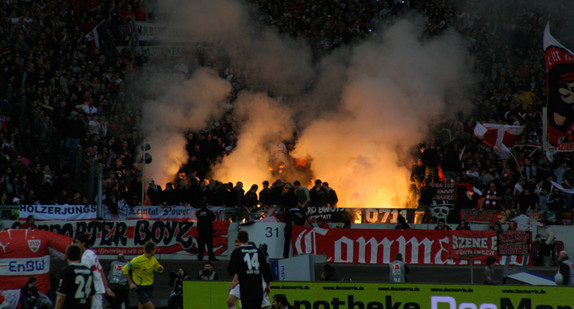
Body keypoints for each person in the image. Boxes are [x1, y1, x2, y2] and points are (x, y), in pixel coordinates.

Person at [227, 230, 272, 309]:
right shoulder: (258, 252)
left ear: (238, 240)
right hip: (258, 289)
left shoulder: (237, 252)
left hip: (246, 289)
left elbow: (231, 270)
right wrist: (268, 285)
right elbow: (266, 270)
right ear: (248, 239)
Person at [74, 233, 114, 309]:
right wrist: (107, 287)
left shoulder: (86, 257)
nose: (75, 244)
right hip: (97, 289)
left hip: (94, 290)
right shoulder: (91, 253)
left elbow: (85, 275)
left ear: (83, 243)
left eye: (77, 242)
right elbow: (101, 270)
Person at [123, 241, 165, 309]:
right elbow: (125, 269)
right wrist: (131, 283)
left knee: (142, 305)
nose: (155, 251)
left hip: (149, 286)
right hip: (140, 287)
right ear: (152, 250)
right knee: (150, 306)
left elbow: (157, 267)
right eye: (155, 249)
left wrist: (160, 268)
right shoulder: (137, 260)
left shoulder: (153, 259)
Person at [55, 244, 94, 309]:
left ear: (66, 256)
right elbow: (91, 295)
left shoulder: (67, 271)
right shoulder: (89, 271)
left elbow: (61, 296)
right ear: (80, 256)